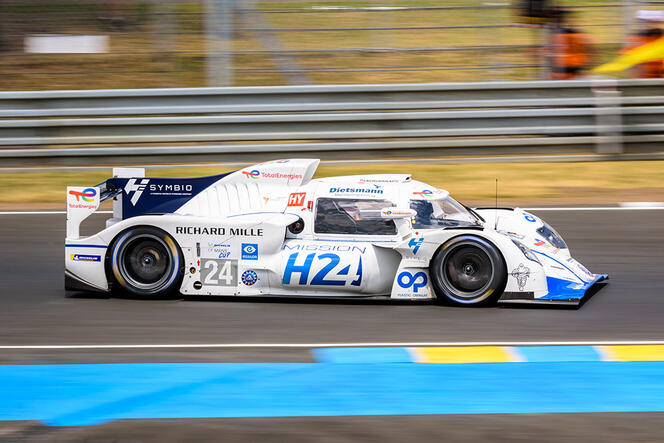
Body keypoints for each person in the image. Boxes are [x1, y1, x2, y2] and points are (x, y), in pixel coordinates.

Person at [548, 8, 594, 80]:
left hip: (571, 73)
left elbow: (588, 52)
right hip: (565, 73)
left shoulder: (574, 35)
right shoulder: (555, 35)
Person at [622, 10, 664, 78]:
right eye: (648, 23)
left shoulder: (661, 39)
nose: (651, 26)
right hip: (640, 78)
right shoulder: (635, 39)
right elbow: (626, 58)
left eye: (655, 22)